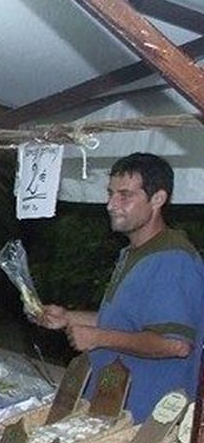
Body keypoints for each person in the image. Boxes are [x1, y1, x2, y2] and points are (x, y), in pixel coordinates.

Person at [36, 152, 204, 420]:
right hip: (113, 407)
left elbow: (176, 345)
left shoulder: (173, 260)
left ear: (158, 199)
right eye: (110, 193)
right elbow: (126, 323)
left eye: (125, 195)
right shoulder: (133, 252)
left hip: (144, 417)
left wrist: (97, 338)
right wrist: (68, 318)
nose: (111, 205)